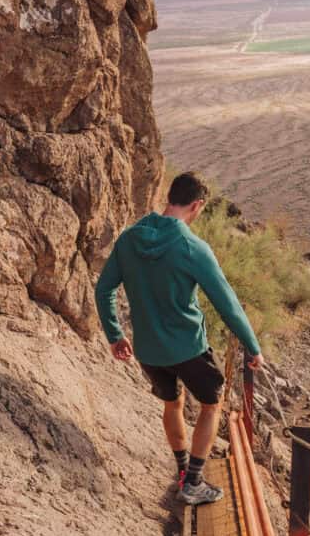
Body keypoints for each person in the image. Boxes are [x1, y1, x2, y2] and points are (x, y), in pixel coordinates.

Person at [94, 172, 264, 506]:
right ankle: (194, 482)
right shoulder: (193, 247)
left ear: (169, 196)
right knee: (211, 405)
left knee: (173, 403)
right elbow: (227, 303)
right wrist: (252, 347)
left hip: (148, 350)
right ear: (197, 206)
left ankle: (183, 469)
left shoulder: (129, 239)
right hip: (188, 348)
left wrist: (115, 335)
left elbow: (104, 289)